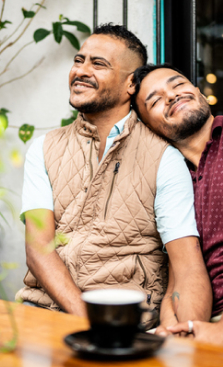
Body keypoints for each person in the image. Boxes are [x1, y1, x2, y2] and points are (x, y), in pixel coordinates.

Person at [16, 25, 212, 331]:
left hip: (126, 325)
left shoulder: (165, 159)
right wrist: (90, 323)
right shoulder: (43, 148)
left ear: (130, 84)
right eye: (78, 60)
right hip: (42, 312)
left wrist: (184, 339)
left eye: (98, 64)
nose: (80, 71)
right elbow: (38, 248)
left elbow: (186, 267)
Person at [132, 63, 223, 344]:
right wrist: (170, 330)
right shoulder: (169, 178)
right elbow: (180, 271)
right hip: (205, 321)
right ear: (148, 127)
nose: (171, 96)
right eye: (156, 100)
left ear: (197, 91)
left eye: (178, 85)